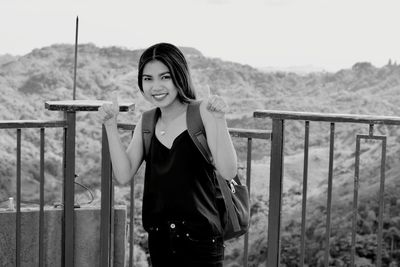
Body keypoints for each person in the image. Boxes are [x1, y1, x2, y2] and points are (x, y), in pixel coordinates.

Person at [98, 42, 238, 267]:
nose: (156, 86)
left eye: (165, 77)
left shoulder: (202, 112)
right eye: (148, 79)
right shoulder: (146, 121)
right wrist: (110, 125)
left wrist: (220, 121)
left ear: (179, 76)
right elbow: (123, 174)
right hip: (161, 241)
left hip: (201, 242)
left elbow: (228, 171)